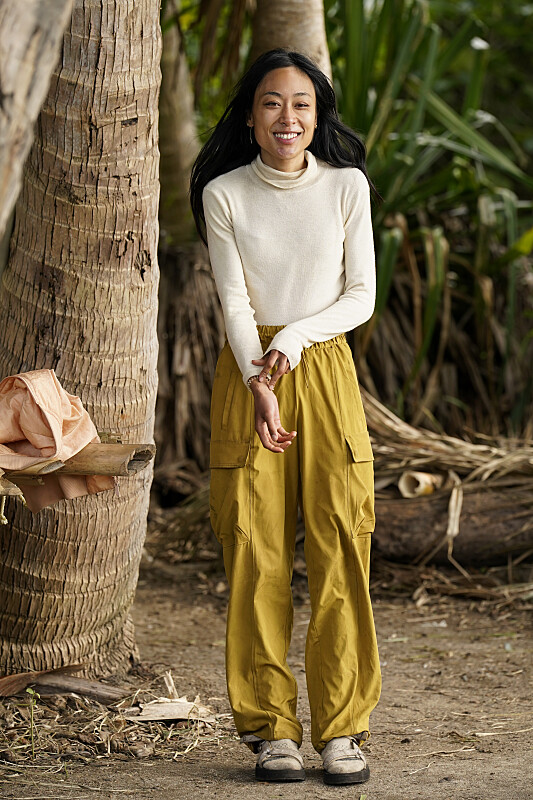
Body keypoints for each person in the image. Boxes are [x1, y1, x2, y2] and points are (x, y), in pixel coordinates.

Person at [190, 48, 381, 786]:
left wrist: (295, 341)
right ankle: (270, 728)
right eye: (272, 102)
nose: (287, 117)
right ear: (250, 115)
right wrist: (258, 380)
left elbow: (360, 295)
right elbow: (234, 302)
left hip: (324, 364)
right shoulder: (225, 194)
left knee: (341, 543)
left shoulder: (346, 186)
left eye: (301, 103)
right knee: (253, 551)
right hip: (249, 374)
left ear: (318, 113)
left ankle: (342, 730)